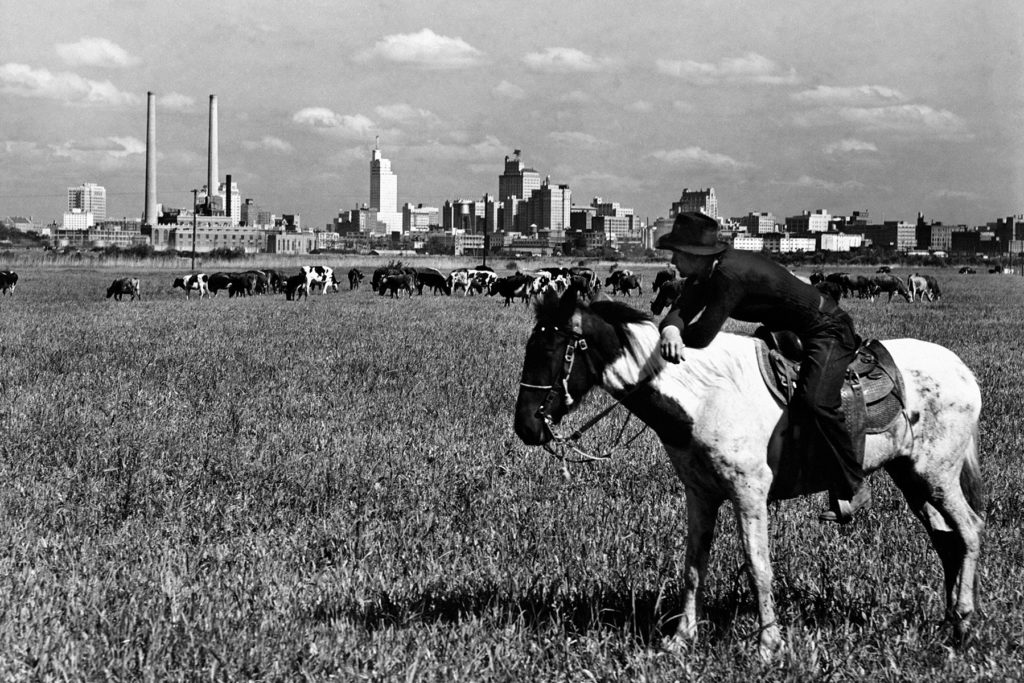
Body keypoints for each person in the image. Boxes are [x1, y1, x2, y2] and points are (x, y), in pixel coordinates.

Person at [657, 211, 870, 524]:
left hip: (826, 329)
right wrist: (671, 330)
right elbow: (680, 310)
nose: (672, 260)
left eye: (677, 253)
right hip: (786, 330)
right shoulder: (705, 273)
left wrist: (678, 332)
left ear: (695, 255)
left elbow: (703, 334)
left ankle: (854, 486)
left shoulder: (730, 274)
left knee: (816, 403)